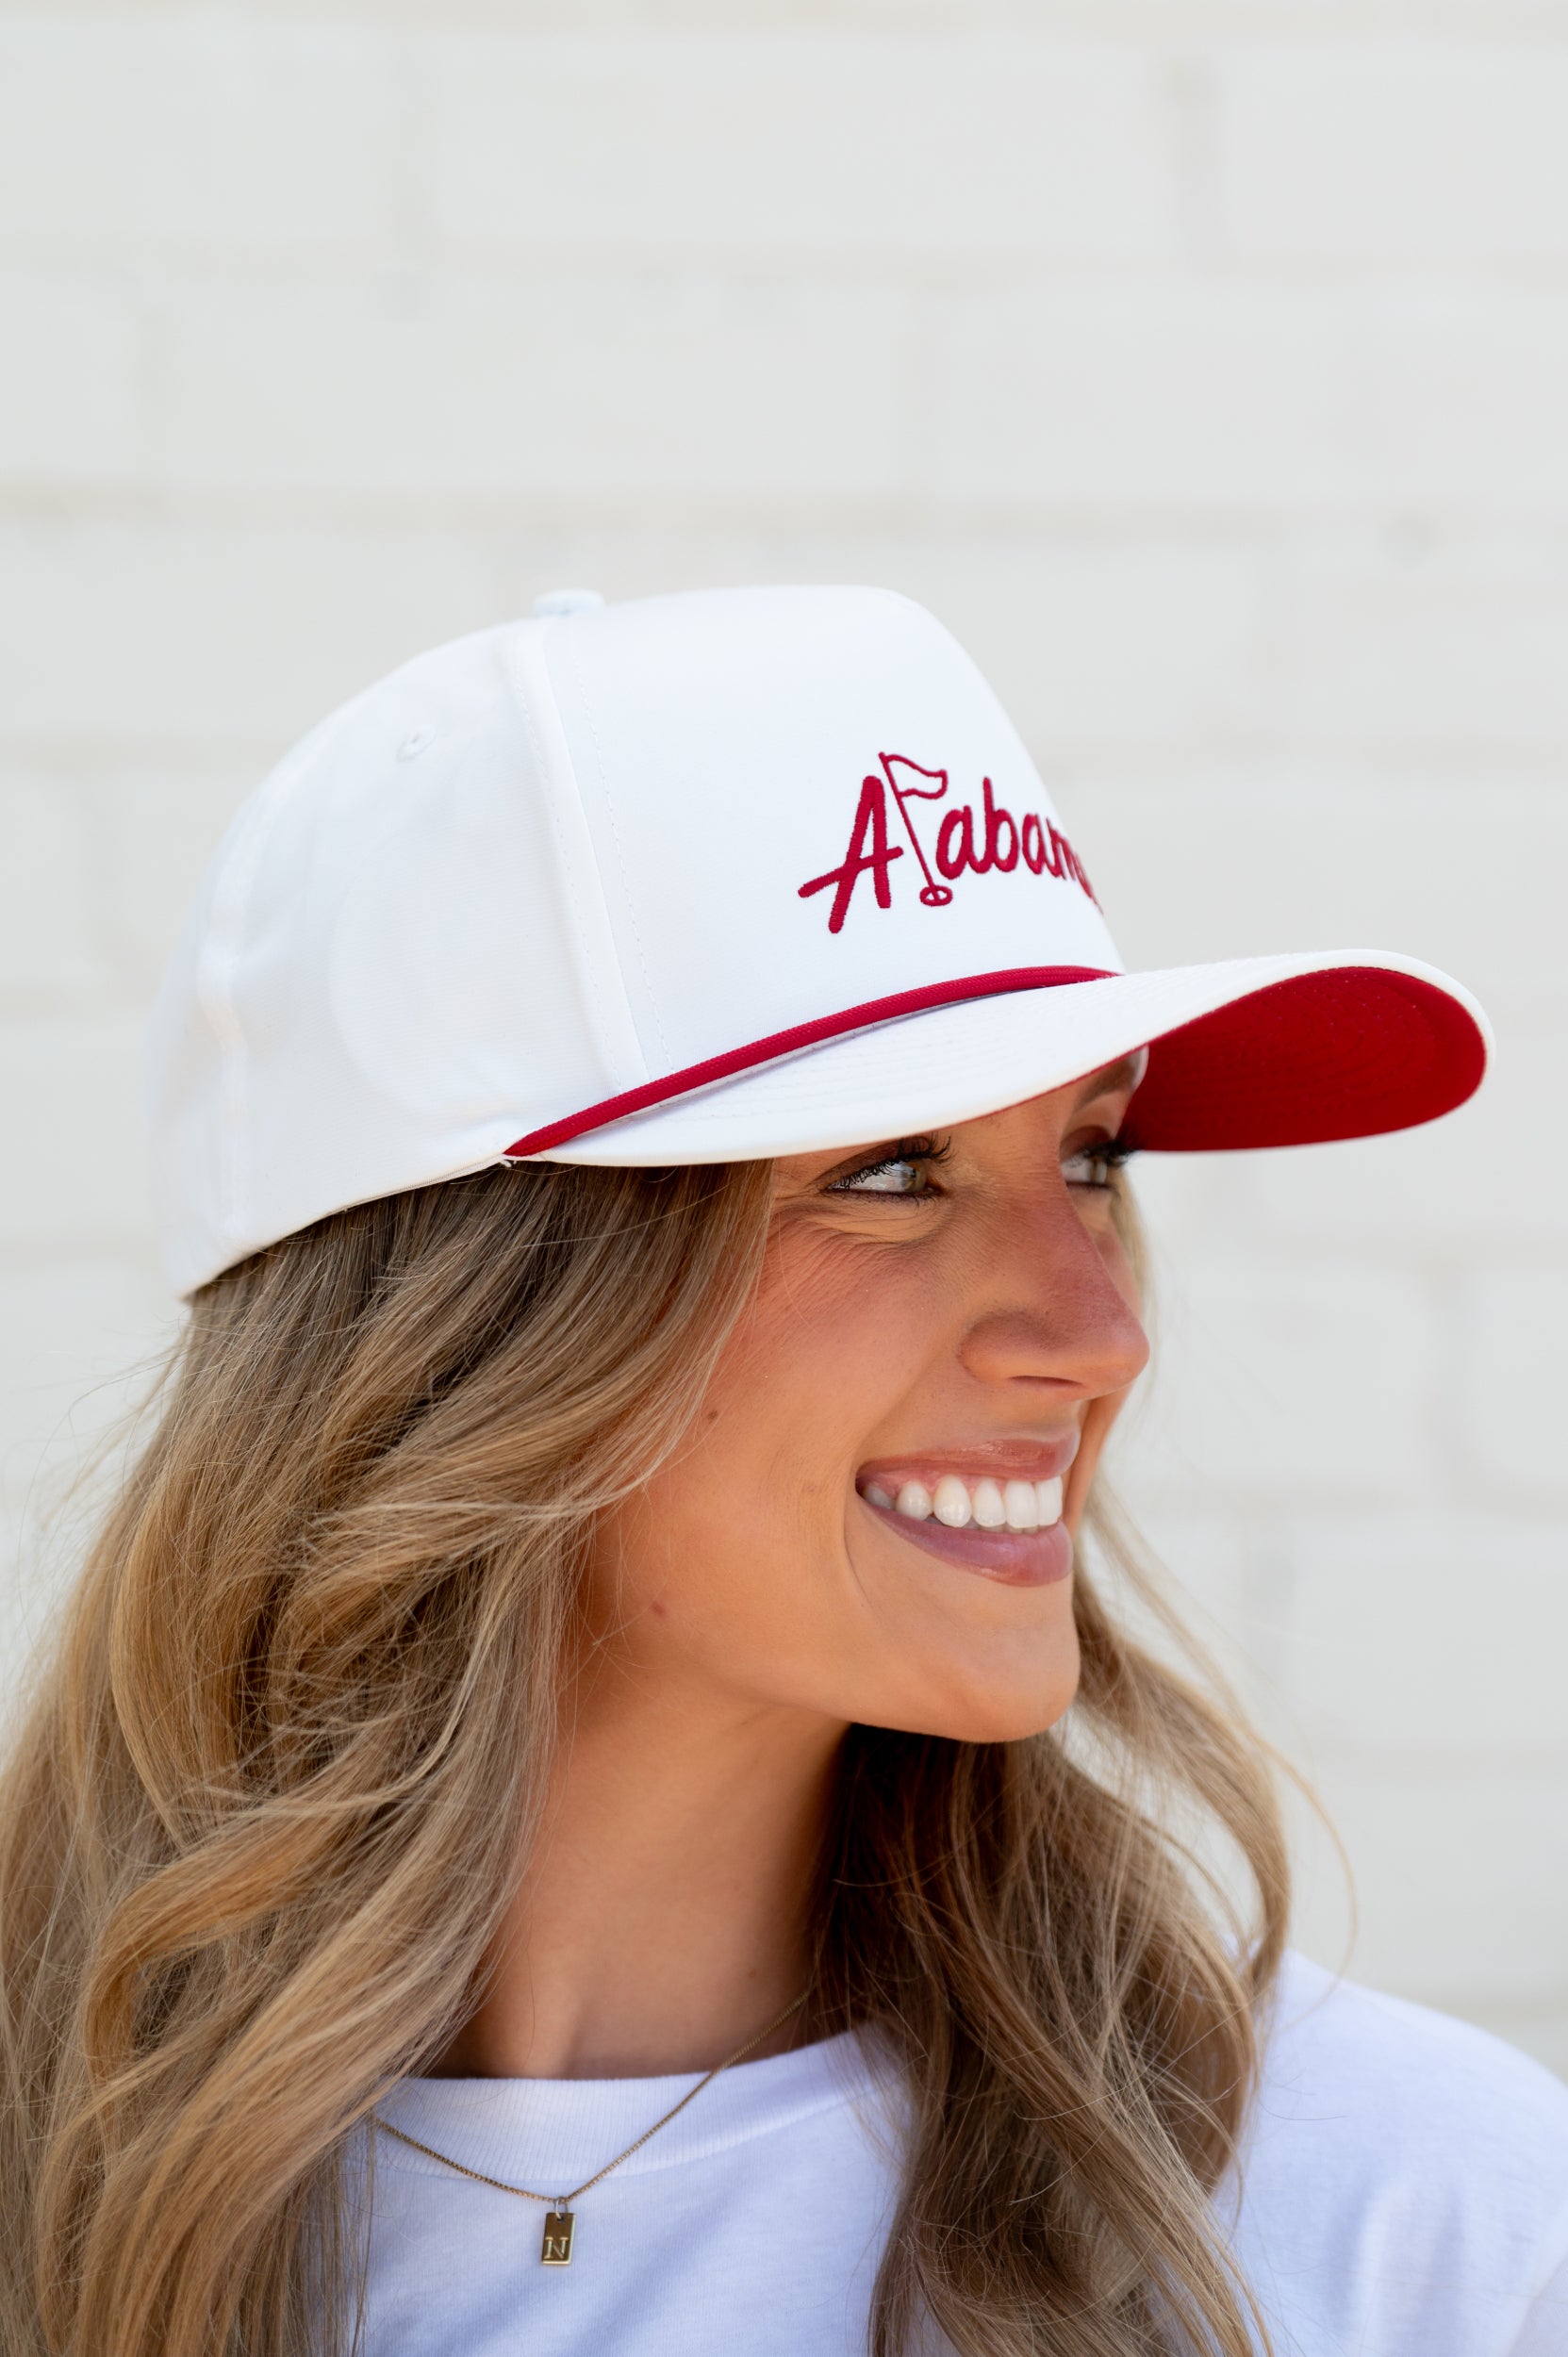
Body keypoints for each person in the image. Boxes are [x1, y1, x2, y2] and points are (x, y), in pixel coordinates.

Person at [1, 586, 1563, 2357]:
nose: (1098, 1333)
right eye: (894, 1169)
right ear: (466, 1323)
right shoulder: (52, 2206)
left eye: (1093, 1153)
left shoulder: (1410, 2226)